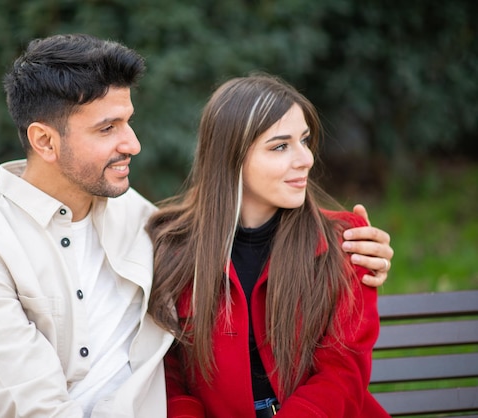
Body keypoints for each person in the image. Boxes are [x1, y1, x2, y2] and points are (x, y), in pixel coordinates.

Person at [0, 34, 392, 417]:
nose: (134, 143)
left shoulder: (145, 222)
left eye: (129, 121)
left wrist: (361, 252)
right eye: (107, 129)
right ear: (44, 141)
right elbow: (33, 407)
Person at [147, 73, 391, 417]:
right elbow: (170, 374)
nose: (305, 159)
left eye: (304, 140)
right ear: (230, 158)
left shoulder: (347, 241)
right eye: (280, 146)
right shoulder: (174, 247)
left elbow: (343, 370)